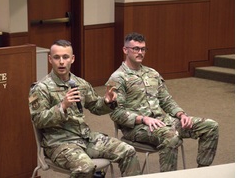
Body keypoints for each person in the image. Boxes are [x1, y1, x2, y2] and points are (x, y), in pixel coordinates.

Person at [106, 32, 219, 172]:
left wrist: (182, 115)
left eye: (143, 49)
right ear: (125, 50)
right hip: (137, 128)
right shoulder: (118, 78)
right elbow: (115, 113)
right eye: (135, 48)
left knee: (210, 126)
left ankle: (202, 171)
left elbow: (166, 100)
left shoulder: (152, 73)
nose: (140, 52)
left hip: (163, 121)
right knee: (171, 137)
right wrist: (143, 119)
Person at [28, 39, 141, 177]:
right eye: (57, 57)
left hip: (85, 138)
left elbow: (95, 107)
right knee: (85, 168)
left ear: (72, 59)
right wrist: (62, 107)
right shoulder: (40, 88)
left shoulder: (80, 83)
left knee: (128, 151)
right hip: (59, 144)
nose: (62, 62)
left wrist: (106, 102)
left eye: (65, 57)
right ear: (50, 59)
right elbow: (38, 120)